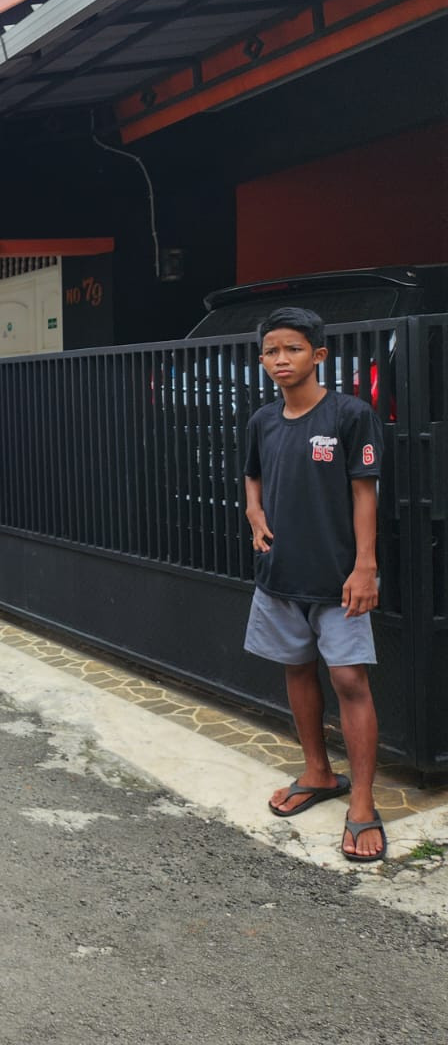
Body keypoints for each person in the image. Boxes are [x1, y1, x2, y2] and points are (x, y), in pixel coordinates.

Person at [244, 307, 385, 863]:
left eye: (293, 349)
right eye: (271, 351)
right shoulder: (263, 420)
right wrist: (254, 512)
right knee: (296, 669)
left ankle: (363, 801)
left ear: (318, 355)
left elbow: (365, 492)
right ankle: (318, 773)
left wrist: (365, 567)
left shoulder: (350, 415)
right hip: (280, 574)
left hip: (339, 579)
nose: (280, 359)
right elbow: (252, 472)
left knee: (350, 678)